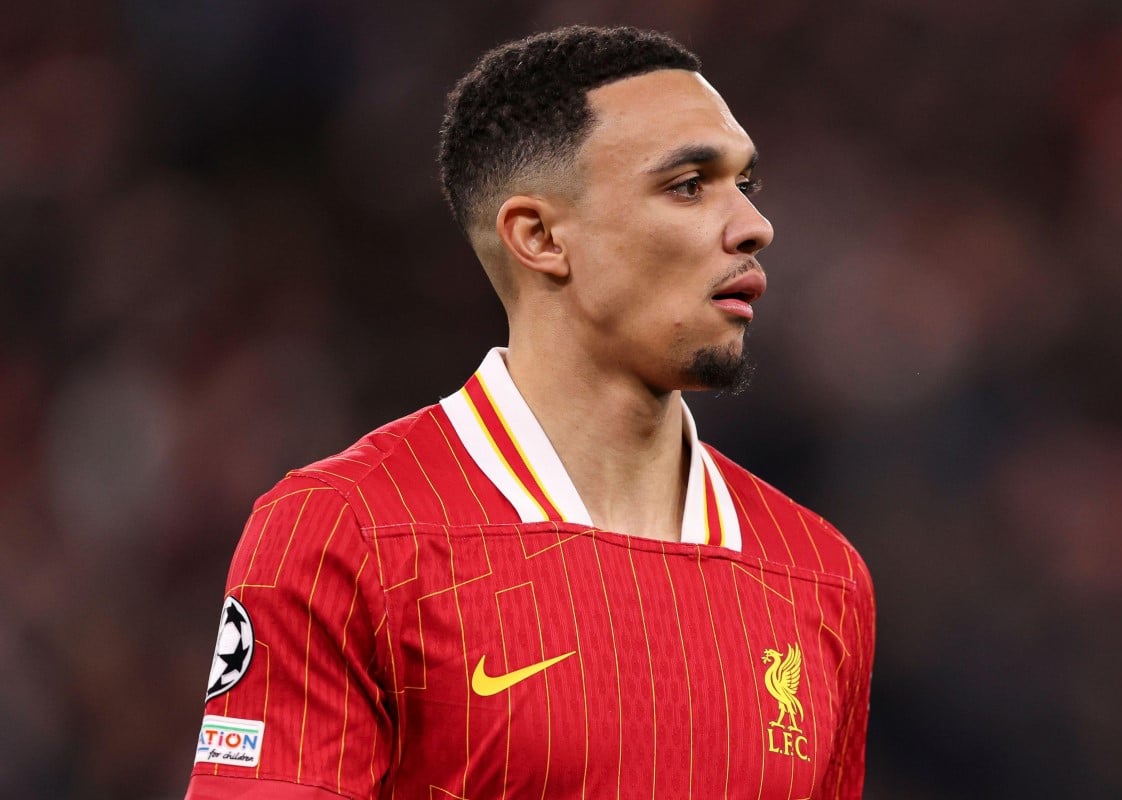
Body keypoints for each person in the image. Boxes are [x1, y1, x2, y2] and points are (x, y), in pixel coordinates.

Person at [185, 24, 874, 800]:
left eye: (745, 184)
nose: (754, 225)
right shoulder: (345, 534)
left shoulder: (819, 574)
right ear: (540, 237)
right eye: (688, 185)